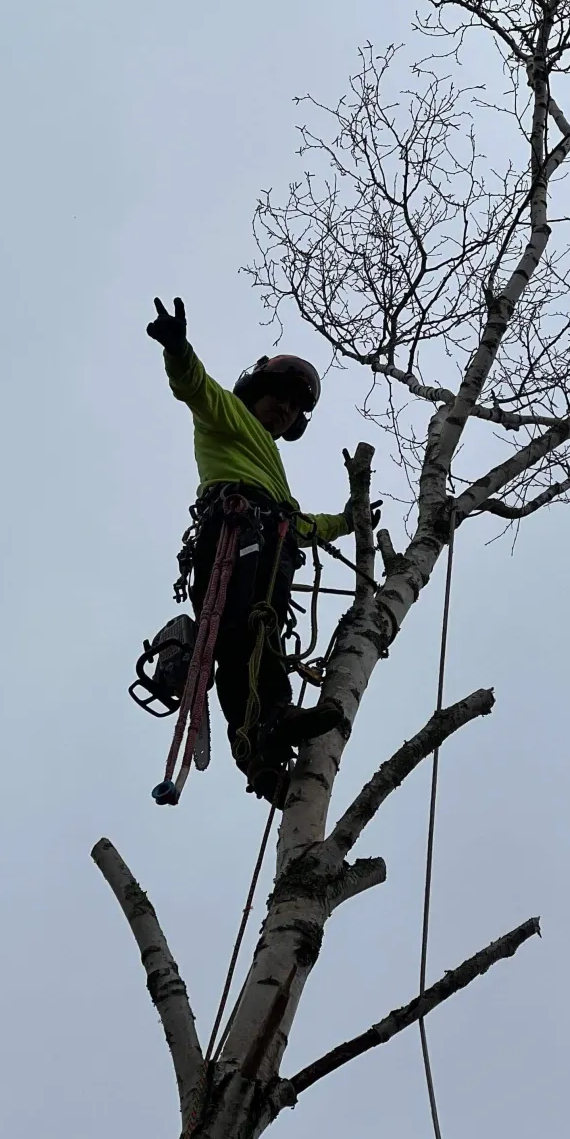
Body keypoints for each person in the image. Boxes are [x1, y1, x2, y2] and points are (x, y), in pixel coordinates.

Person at [147, 296, 376, 804]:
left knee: (263, 629)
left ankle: (266, 756)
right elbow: (195, 387)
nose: (285, 410)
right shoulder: (226, 415)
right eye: (279, 398)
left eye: (294, 408)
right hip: (234, 528)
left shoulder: (271, 462)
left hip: (271, 538)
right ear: (255, 392)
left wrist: (349, 521)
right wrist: (178, 346)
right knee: (239, 631)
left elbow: (300, 525)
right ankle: (259, 733)